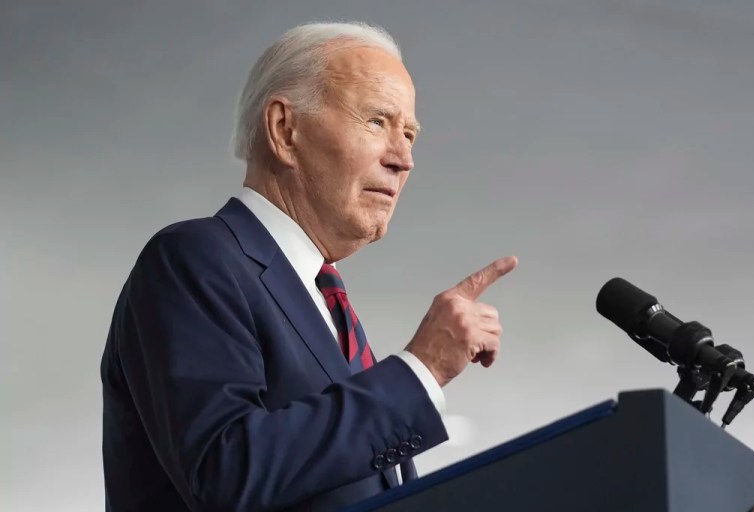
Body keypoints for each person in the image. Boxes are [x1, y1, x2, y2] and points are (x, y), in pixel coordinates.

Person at [100, 21, 517, 512]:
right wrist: (421, 370)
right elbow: (226, 472)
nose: (404, 159)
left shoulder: (326, 303)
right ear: (284, 129)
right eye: (378, 121)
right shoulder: (193, 259)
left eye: (409, 134)